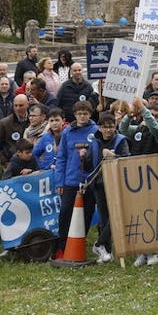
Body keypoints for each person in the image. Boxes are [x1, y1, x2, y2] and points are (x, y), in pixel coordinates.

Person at [54, 101, 99, 260]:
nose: (82, 116)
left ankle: (80, 241)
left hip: (89, 181)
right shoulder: (68, 132)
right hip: (70, 181)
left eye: (85, 114)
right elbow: (62, 158)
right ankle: (62, 246)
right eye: (79, 114)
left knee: (86, 213)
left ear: (90, 114)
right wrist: (59, 181)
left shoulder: (95, 131)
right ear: (75, 115)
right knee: (65, 213)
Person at [90, 113, 130, 264]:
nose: (108, 130)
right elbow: (90, 162)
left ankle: (99, 243)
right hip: (99, 184)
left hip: (116, 183)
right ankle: (105, 251)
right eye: (105, 127)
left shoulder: (121, 140)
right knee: (104, 218)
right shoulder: (94, 141)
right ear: (100, 128)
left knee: (115, 216)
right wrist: (83, 156)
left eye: (111, 126)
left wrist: (113, 155)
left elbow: (126, 159)